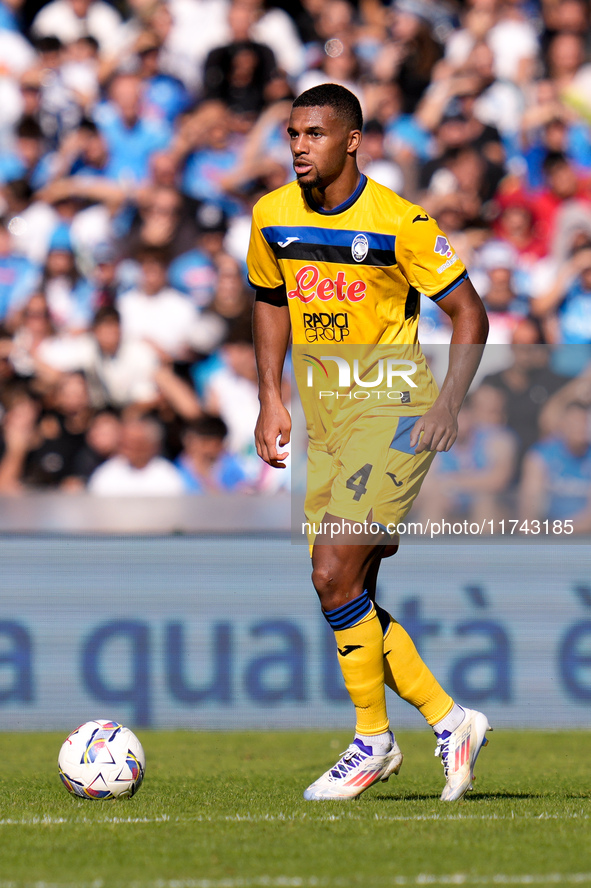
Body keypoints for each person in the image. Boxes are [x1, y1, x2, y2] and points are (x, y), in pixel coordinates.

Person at [248, 83, 490, 803]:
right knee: (347, 588)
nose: (298, 146)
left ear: (351, 140)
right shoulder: (271, 217)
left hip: (395, 409)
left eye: (314, 134)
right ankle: (450, 721)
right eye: (292, 133)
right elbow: (268, 301)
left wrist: (448, 404)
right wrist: (269, 394)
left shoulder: (400, 222)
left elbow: (469, 314)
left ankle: (372, 741)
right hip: (325, 418)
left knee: (330, 572)